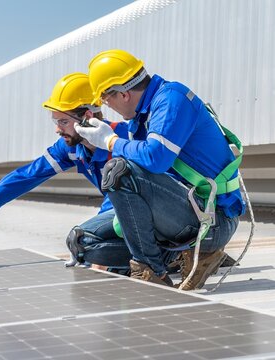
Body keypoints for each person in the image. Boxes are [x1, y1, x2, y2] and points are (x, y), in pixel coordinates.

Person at [75, 49, 245, 289]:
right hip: (179, 211)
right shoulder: (140, 118)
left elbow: (156, 159)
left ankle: (151, 270)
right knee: (84, 241)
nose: (107, 106)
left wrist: (110, 142)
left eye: (105, 99)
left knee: (118, 170)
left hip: (211, 220)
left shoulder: (171, 100)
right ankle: (178, 256)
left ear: (123, 94)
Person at [0, 72, 133, 272]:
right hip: (128, 213)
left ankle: (163, 256)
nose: (58, 130)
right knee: (90, 246)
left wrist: (88, 241)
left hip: (156, 212)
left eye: (63, 122)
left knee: (90, 244)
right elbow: (27, 176)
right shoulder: (72, 147)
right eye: (55, 122)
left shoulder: (122, 139)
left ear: (87, 118)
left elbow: (119, 198)